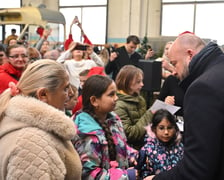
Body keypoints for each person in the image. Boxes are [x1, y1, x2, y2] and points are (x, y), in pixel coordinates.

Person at [145, 33, 224, 180]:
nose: (173, 71)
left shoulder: (203, 87)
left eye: (175, 63)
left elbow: (197, 169)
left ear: (189, 55)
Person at [0, 59, 82, 179]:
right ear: (43, 94)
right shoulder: (32, 142)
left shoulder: (22, 125)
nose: (70, 93)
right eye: (65, 88)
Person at [73, 75, 138, 180]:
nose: (116, 98)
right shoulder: (86, 132)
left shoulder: (113, 119)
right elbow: (90, 174)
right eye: (111, 95)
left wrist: (135, 155)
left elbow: (121, 146)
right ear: (94, 101)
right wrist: (127, 176)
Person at [114, 65, 153, 150]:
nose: (142, 84)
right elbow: (130, 134)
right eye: (138, 82)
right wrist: (150, 114)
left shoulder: (140, 99)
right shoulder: (119, 105)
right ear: (126, 82)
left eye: (142, 81)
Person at [136, 109, 183, 178]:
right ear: (154, 129)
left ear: (175, 128)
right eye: (161, 128)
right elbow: (144, 175)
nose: (166, 132)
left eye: (169, 128)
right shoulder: (147, 150)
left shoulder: (180, 147)